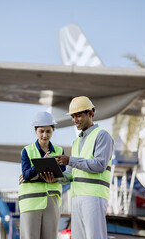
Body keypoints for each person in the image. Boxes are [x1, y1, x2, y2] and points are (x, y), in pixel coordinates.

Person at [55, 96, 114, 239]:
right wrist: (55, 177)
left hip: (94, 196)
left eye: (79, 115)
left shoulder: (102, 136)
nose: (75, 120)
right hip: (76, 199)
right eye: (73, 116)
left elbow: (99, 165)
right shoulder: (76, 142)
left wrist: (70, 160)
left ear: (90, 113)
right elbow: (70, 174)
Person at [18, 111, 66, 239]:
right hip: (31, 203)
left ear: (53, 131)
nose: (45, 135)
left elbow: (61, 174)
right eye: (41, 131)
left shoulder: (59, 151)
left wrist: (35, 175)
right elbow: (26, 175)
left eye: (48, 131)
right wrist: (43, 164)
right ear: (35, 131)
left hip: (52, 201)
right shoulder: (27, 151)